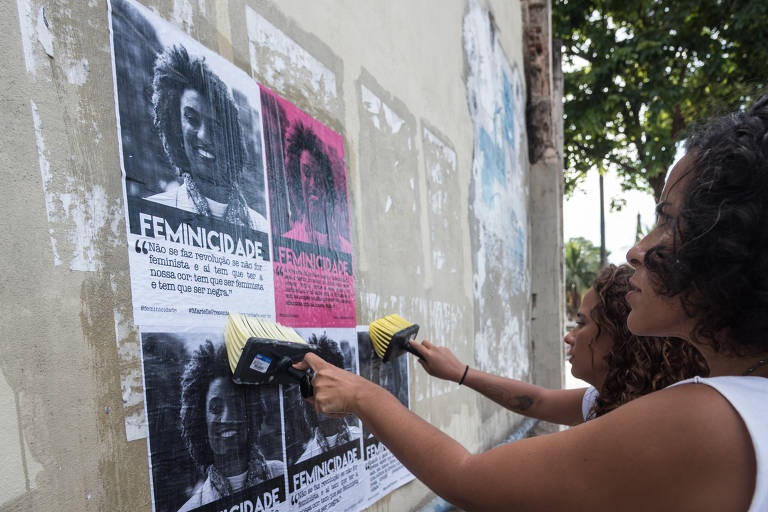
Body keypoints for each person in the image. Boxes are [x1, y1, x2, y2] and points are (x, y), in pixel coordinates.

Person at [297, 96, 768, 510]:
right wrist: (459, 373)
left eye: (668, 221)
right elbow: (538, 400)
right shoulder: (740, 400)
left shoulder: (708, 419)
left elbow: (469, 482)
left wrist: (363, 395)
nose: (637, 250)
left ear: (734, 246)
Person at [416, 264, 707, 425]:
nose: (569, 336)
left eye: (581, 324)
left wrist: (369, 395)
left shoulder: (637, 424)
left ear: (619, 340)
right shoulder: (610, 400)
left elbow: (464, 476)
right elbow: (538, 400)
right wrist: (460, 373)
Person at [147, 45, 268, 232]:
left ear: (231, 139)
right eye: (192, 119)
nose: (204, 136)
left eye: (215, 127)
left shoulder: (260, 227)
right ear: (175, 127)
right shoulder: (155, 213)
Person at [178, 341, 283, 511]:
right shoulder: (192, 508)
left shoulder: (281, 474)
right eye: (215, 408)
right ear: (200, 421)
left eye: (236, 405)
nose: (227, 418)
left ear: (251, 413)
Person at [281, 121, 352, 253]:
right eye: (307, 174)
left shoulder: (346, 249)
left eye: (319, 177)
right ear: (296, 179)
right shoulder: (287, 243)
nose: (313, 184)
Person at [292, 335, 359, 464]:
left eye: (329, 384)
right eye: (314, 386)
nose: (323, 394)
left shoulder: (361, 438)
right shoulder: (304, 463)